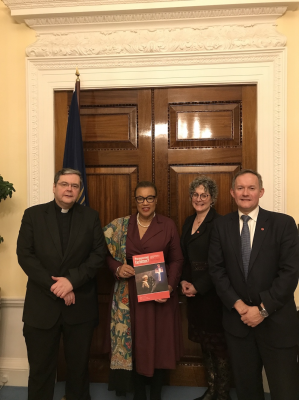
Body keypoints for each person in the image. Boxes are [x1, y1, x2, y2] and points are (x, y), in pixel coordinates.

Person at [17, 168, 107, 400]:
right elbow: (25, 256)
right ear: (54, 187)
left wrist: (71, 282)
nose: (69, 189)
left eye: (75, 186)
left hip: (79, 308)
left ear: (79, 190)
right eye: (64, 184)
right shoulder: (33, 215)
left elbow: (98, 255)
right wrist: (56, 287)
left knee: (78, 371)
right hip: (41, 307)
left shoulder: (90, 217)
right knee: (40, 370)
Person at [209, 169, 299, 400]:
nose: (245, 193)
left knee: (285, 391)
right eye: (240, 188)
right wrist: (240, 306)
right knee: (247, 392)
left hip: (277, 324)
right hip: (239, 326)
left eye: (251, 188)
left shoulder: (284, 223)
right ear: (232, 192)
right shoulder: (221, 226)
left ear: (261, 192)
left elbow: (290, 273)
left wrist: (261, 310)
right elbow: (217, 271)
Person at [103, 181, 184, 400]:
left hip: (159, 292)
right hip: (128, 295)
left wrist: (169, 286)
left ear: (156, 200)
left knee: (158, 344)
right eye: (140, 198)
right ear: (135, 201)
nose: (145, 203)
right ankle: (138, 393)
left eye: (149, 198)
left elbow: (176, 259)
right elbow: (107, 254)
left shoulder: (167, 225)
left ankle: (155, 394)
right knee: (135, 343)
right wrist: (118, 268)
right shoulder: (122, 225)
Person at [180, 176, 231, 400]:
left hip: (213, 294)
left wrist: (198, 287)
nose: (199, 199)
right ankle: (211, 390)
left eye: (204, 195)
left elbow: (220, 263)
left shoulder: (219, 223)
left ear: (212, 199)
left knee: (218, 346)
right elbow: (182, 257)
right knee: (205, 345)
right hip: (192, 292)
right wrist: (183, 281)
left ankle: (222, 393)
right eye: (195, 194)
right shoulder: (188, 222)